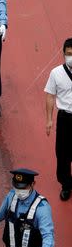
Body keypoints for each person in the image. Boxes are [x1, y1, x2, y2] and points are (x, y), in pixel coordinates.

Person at [44, 37, 72, 200]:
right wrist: (49, 119)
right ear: (63, 54)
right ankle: (66, 184)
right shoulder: (56, 73)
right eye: (69, 54)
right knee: (62, 153)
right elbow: (50, 96)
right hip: (65, 118)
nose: (71, 57)